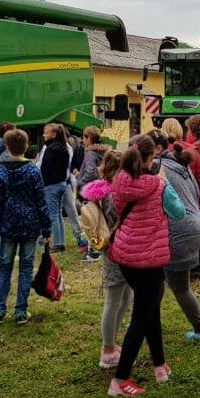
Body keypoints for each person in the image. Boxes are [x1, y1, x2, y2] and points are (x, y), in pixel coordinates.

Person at [108, 135, 185, 397]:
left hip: (125, 255)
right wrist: (164, 182)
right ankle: (120, 380)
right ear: (151, 158)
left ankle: (159, 364)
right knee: (141, 317)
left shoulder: (119, 180)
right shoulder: (158, 185)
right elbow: (179, 212)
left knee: (150, 308)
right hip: (149, 258)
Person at [152, 132, 200, 343]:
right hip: (195, 226)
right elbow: (196, 193)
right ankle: (147, 320)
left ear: (157, 150)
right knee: (158, 279)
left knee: (178, 287)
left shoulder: (158, 167)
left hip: (177, 230)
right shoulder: (180, 165)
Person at [0, 128, 51, 325]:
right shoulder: (33, 170)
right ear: (26, 147)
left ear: (7, 147)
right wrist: (46, 229)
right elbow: (41, 201)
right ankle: (21, 311)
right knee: (26, 267)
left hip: (8, 224)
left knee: (4, 267)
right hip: (29, 224)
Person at [77, 150, 133, 369]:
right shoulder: (113, 193)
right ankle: (108, 349)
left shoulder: (102, 191)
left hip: (116, 249)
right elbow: (118, 219)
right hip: (116, 249)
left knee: (125, 297)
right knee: (114, 300)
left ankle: (111, 343)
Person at [39, 123, 88, 252]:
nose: (44, 134)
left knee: (54, 215)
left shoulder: (51, 148)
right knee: (62, 214)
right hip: (63, 183)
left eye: (46, 132)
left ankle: (58, 243)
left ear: (53, 134)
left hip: (52, 185)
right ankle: (64, 241)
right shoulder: (65, 147)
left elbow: (44, 167)